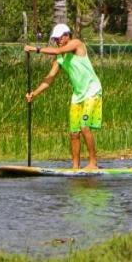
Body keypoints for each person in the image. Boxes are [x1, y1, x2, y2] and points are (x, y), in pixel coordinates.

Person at [24, 23, 102, 170]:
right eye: (55, 39)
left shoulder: (77, 44)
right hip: (78, 96)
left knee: (84, 127)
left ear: (67, 35)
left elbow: (58, 50)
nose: (57, 41)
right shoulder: (60, 58)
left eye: (59, 37)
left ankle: (93, 163)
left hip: (92, 91)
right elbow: (49, 79)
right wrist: (34, 93)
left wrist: (36, 49)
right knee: (73, 133)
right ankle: (75, 166)